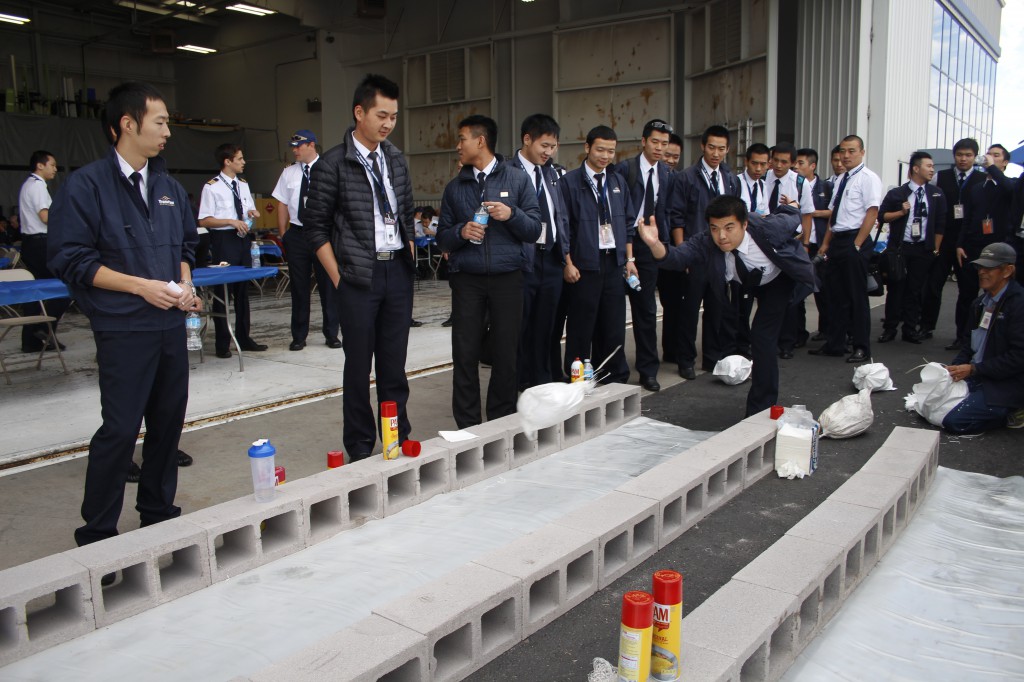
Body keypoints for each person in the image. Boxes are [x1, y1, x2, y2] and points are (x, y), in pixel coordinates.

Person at [47, 81, 200, 562]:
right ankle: (97, 534)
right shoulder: (86, 186)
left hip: (170, 325)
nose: (167, 132)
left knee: (167, 424)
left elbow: (186, 248)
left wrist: (184, 281)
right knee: (119, 429)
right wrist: (139, 286)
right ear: (128, 124)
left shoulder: (170, 188)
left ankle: (156, 512)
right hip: (123, 327)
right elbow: (71, 259)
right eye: (160, 122)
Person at [304, 74, 416, 461]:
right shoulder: (332, 164)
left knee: (394, 365)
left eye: (394, 117)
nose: (388, 124)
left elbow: (406, 214)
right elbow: (315, 229)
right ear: (359, 112)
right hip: (356, 277)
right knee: (358, 368)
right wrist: (339, 278)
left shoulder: (396, 159)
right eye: (381, 115)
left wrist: (409, 261)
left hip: (396, 272)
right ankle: (359, 444)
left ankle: (397, 436)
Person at [640, 195, 815, 416]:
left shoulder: (767, 228)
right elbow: (676, 258)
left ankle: (761, 408)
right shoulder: (706, 241)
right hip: (743, 284)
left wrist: (792, 205)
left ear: (744, 224)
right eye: (715, 228)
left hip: (777, 281)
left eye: (729, 227)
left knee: (762, 338)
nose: (721, 236)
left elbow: (789, 217)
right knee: (734, 324)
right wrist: (655, 244)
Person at [436, 114, 541, 427]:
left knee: (506, 352)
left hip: (508, 277)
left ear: (480, 141)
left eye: (462, 138)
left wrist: (511, 214)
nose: (458, 146)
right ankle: (467, 424)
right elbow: (442, 235)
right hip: (467, 280)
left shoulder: (518, 180)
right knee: (464, 352)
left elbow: (534, 229)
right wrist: (461, 233)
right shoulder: (455, 188)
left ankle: (500, 418)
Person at [561, 125, 636, 384]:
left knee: (613, 325)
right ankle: (577, 379)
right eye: (600, 149)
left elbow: (628, 223)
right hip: (584, 266)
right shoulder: (569, 182)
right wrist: (568, 263)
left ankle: (613, 377)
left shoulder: (617, 182)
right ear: (587, 148)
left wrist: (629, 260)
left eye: (611, 151)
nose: (605, 156)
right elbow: (564, 227)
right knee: (582, 327)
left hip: (613, 263)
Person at [666, 124, 742, 379]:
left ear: (728, 150)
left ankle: (711, 358)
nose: (716, 153)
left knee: (717, 308)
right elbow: (676, 217)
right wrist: (682, 254)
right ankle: (685, 360)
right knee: (688, 311)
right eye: (711, 147)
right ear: (702, 146)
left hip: (721, 255)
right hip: (695, 253)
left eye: (721, 148)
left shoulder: (731, 179)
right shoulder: (686, 177)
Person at [809, 134, 882, 363]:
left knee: (856, 297)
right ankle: (835, 343)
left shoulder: (868, 178)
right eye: (843, 151)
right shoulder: (840, 180)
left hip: (855, 240)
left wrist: (858, 244)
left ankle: (861, 347)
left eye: (851, 151)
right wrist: (825, 244)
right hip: (837, 241)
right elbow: (835, 215)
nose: (846, 156)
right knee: (834, 295)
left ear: (862, 152)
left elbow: (872, 212)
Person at [614, 119, 674, 391]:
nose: (660, 148)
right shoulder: (624, 169)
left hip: (648, 245)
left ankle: (648, 370)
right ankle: (615, 370)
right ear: (643, 141)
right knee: (614, 310)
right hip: (618, 245)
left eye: (664, 143)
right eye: (655, 142)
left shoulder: (667, 173)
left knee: (646, 310)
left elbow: (667, 211)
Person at [512, 113, 570, 390]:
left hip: (552, 260)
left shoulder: (553, 174)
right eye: (544, 145)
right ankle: (519, 383)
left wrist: (566, 256)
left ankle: (543, 383)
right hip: (523, 261)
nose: (549, 152)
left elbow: (561, 218)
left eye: (553, 146)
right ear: (527, 139)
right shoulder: (508, 172)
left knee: (547, 327)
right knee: (520, 326)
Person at [271, 129, 341, 351]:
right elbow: (282, 203)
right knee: (299, 288)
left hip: (322, 233)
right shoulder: (289, 173)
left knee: (328, 285)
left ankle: (332, 333)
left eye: (298, 146)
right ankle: (299, 335)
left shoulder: (329, 169)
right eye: (293, 146)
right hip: (298, 234)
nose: (294, 150)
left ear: (311, 145)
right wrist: (284, 234)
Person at [943, 243, 1024, 433]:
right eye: (980, 267)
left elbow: (1019, 357)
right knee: (929, 402)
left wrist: (973, 369)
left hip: (1006, 382)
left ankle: (1012, 412)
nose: (981, 272)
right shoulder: (980, 303)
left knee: (954, 422)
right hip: (979, 374)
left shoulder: (1019, 305)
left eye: (989, 268)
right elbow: (967, 343)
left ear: (1008, 271)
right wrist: (954, 368)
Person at [198, 143, 266, 358]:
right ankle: (222, 342)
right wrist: (230, 221)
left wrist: (252, 212)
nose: (243, 162)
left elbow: (247, 207)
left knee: (243, 292)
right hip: (224, 239)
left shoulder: (243, 184)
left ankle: (244, 337)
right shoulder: (212, 187)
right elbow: (204, 219)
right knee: (223, 292)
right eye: (239, 159)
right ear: (227, 161)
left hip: (242, 238)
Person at [877, 151, 947, 344]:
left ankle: (910, 329)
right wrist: (901, 212)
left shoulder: (936, 193)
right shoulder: (897, 193)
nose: (932, 170)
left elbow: (941, 223)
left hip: (923, 249)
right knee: (896, 289)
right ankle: (890, 328)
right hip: (900, 249)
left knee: (915, 291)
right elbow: (882, 217)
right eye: (929, 166)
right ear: (916, 169)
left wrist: (935, 249)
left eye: (933, 166)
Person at [952, 144, 1016, 350]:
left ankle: (994, 339)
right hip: (973, 246)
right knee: (966, 294)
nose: (990, 157)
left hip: (998, 248)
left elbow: (1009, 190)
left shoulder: (1009, 185)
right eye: (989, 154)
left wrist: (993, 169)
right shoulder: (977, 187)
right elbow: (967, 217)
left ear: (1005, 162)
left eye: (996, 155)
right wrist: (960, 244)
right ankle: (962, 337)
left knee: (997, 295)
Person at [921, 138, 984, 341]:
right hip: (943, 237)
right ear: (954, 156)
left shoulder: (982, 179)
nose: (963, 159)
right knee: (932, 284)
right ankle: (926, 325)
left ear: (975, 157)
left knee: (967, 289)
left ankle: (963, 334)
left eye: (968, 155)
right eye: (959, 155)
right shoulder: (941, 177)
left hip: (968, 241)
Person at [19, 150, 70, 353]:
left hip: (31, 243)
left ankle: (31, 341)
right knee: (64, 288)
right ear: (40, 165)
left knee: (35, 291)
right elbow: (45, 216)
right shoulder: (38, 185)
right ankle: (43, 329)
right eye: (52, 165)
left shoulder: (28, 184)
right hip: (41, 243)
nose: (55, 169)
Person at [787, 147, 833, 348]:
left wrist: (810, 212)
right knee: (798, 291)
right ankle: (799, 333)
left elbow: (835, 213)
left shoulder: (826, 187)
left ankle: (827, 330)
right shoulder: (792, 185)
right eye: (795, 163)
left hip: (819, 246)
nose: (796, 167)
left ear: (812, 166)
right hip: (799, 246)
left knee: (822, 291)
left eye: (801, 163)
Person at [739, 143, 770, 216]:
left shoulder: (762, 185)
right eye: (754, 163)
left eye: (762, 164)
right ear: (746, 162)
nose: (758, 169)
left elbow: (765, 213)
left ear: (768, 165)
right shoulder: (736, 182)